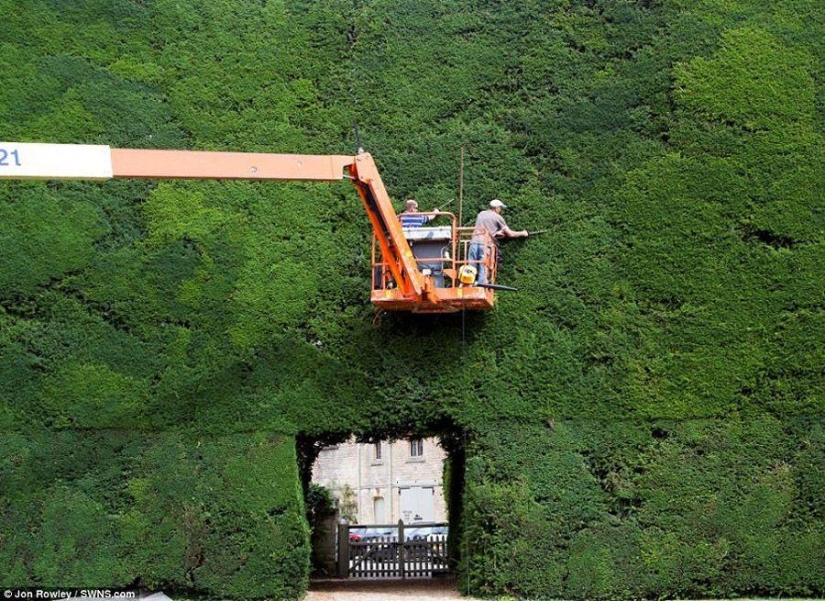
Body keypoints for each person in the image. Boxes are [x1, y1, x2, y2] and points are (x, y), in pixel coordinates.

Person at [468, 198, 528, 284]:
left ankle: (468, 285)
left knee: (471, 268)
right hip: (486, 245)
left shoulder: (481, 214)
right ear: (496, 208)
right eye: (500, 208)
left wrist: (496, 233)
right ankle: (482, 288)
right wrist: (523, 233)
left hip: (473, 243)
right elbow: (510, 234)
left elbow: (485, 227)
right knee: (484, 268)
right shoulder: (497, 217)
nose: (500, 210)